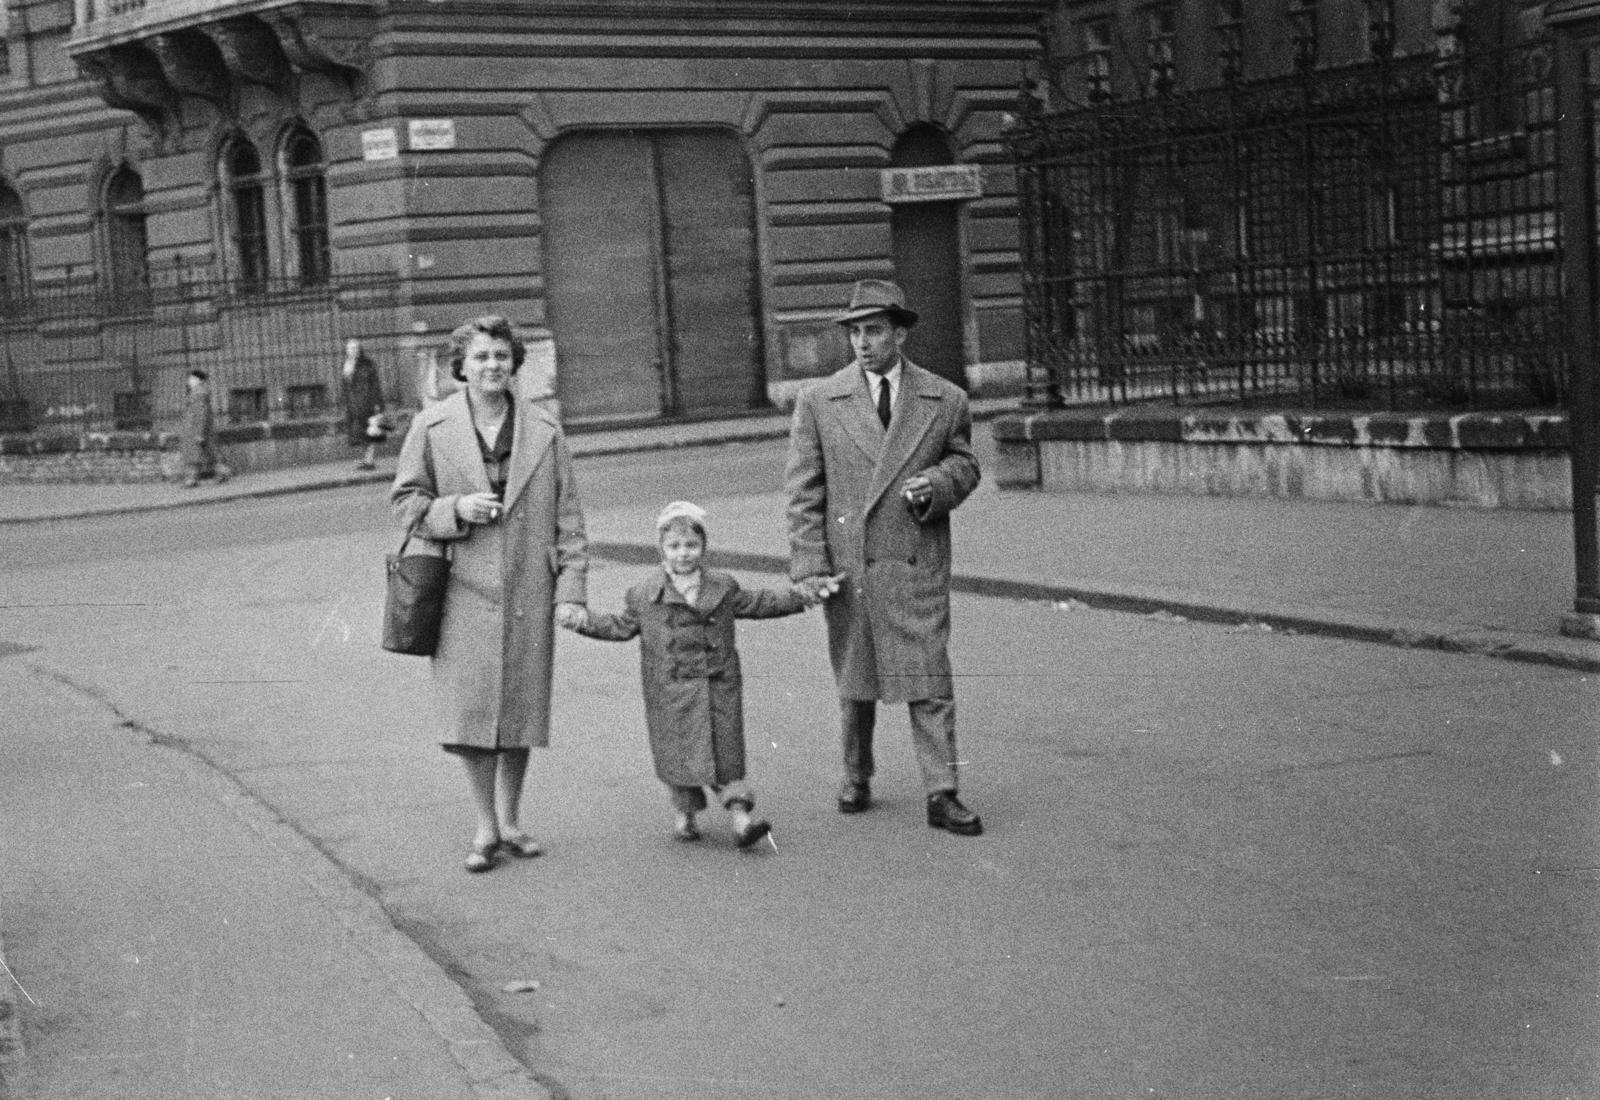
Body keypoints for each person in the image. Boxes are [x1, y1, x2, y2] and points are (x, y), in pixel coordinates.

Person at [785, 278, 985, 836]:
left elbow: (966, 464)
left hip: (914, 557)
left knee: (929, 677)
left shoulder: (945, 400)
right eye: (854, 332)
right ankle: (855, 774)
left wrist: (938, 484)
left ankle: (942, 792)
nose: (861, 342)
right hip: (851, 562)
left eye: (873, 330)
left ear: (899, 333)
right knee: (856, 676)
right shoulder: (820, 400)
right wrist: (809, 565)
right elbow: (804, 492)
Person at [390, 315, 589, 873]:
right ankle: (485, 826)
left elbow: (569, 518)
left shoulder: (546, 431)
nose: (492, 366)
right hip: (462, 592)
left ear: (515, 363)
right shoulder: (431, 427)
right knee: (474, 713)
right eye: (480, 358)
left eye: (501, 356)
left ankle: (513, 819)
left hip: (529, 586)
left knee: (520, 711)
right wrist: (455, 510)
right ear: (461, 367)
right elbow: (405, 504)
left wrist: (571, 591)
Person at [564, 501, 825, 848]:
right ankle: (685, 813)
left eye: (691, 546)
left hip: (718, 685)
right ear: (661, 549)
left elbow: (760, 603)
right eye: (674, 546)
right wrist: (583, 621)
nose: (683, 554)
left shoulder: (722, 587)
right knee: (678, 755)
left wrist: (802, 596)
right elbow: (620, 627)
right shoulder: (644, 595)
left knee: (726, 753)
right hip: (671, 691)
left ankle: (741, 819)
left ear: (703, 548)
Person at [179, 368, 231, 488]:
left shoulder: (198, 394)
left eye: (191, 378)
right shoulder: (198, 392)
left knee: (193, 455)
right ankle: (222, 472)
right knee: (209, 453)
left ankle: (191, 480)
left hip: (196, 429)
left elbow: (201, 414)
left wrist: (199, 433)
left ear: (198, 380)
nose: (189, 381)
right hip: (200, 429)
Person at [340, 337, 387, 471]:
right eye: (350, 348)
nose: (353, 351)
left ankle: (369, 460)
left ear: (359, 349)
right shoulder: (346, 364)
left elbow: (375, 385)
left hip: (367, 403)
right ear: (346, 350)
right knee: (360, 433)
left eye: (355, 348)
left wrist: (377, 403)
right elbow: (345, 385)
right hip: (353, 405)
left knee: (371, 431)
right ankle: (366, 459)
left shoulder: (368, 364)